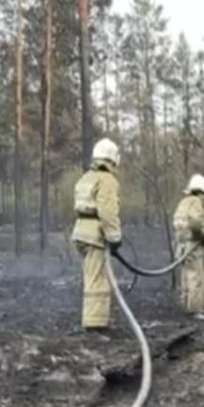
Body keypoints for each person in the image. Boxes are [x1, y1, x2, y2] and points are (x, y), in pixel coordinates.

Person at [71, 138, 123, 331]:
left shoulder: (87, 177)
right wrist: (114, 237)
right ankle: (95, 325)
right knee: (97, 281)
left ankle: (94, 319)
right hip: (95, 236)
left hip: (81, 232)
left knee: (91, 277)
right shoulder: (107, 180)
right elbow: (107, 212)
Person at [173, 174, 204, 318]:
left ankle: (186, 305)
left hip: (182, 245)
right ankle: (195, 310)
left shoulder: (184, 202)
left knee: (186, 276)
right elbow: (196, 223)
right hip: (193, 246)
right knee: (196, 277)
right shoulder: (196, 202)